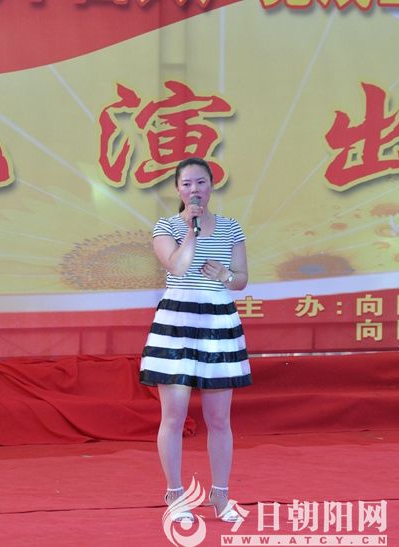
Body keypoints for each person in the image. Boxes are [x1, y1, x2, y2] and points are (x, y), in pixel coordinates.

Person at [139, 156, 252, 523]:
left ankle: (221, 496)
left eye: (200, 182)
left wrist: (225, 275)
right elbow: (177, 266)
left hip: (218, 324)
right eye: (186, 184)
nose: (194, 190)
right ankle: (176, 495)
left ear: (211, 186)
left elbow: (241, 280)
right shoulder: (166, 226)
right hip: (177, 323)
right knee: (173, 416)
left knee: (219, 418)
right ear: (177, 189)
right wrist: (191, 230)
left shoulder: (231, 227)